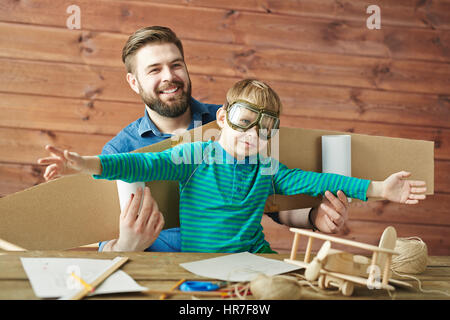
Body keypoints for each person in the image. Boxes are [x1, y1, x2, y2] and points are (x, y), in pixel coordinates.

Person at [38, 78, 427, 253]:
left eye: (265, 129)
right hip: (199, 265)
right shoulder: (191, 157)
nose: (252, 136)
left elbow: (320, 177)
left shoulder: (268, 168)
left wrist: (378, 188)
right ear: (223, 117)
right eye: (245, 121)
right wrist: (83, 163)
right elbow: (138, 166)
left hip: (256, 259)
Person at [53, 26, 351, 252]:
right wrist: (125, 245)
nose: (169, 76)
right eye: (154, 70)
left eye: (176, 64)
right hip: (160, 276)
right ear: (134, 82)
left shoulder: (235, 124)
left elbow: (271, 199)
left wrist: (313, 217)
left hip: (234, 267)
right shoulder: (121, 151)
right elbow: (106, 242)